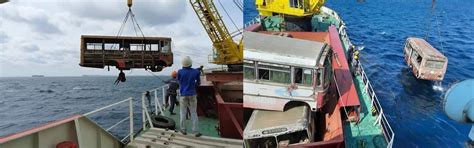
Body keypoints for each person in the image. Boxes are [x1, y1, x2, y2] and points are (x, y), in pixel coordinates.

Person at [177, 56, 201, 137]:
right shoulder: (196, 71)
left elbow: (179, 81)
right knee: (193, 113)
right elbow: (198, 82)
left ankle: (183, 130)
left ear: (183, 64)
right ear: (191, 63)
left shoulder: (179, 72)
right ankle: (195, 131)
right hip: (192, 94)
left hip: (183, 95)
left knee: (182, 113)